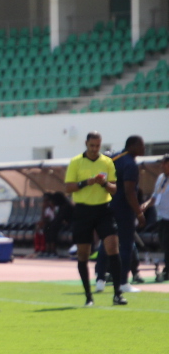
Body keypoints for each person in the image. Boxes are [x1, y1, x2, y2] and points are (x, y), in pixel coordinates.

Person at [65, 131, 126, 307]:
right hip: (83, 211)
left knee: (113, 246)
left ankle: (117, 294)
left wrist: (104, 183)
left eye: (97, 146)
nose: (94, 149)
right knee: (83, 254)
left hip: (103, 210)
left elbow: (114, 189)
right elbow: (68, 187)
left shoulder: (107, 162)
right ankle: (88, 296)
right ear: (86, 144)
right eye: (91, 145)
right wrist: (85, 182)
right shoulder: (76, 162)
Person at [107, 136, 146, 293]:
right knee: (126, 246)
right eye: (141, 145)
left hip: (109, 205)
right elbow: (129, 192)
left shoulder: (115, 158)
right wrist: (139, 213)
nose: (143, 148)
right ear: (133, 146)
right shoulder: (130, 163)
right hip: (124, 209)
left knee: (106, 245)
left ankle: (101, 279)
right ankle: (123, 282)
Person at [141, 154, 169, 281]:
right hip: (162, 217)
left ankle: (167, 270)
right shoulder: (161, 178)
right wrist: (146, 205)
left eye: (165, 163)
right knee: (164, 244)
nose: (162, 166)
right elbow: (155, 196)